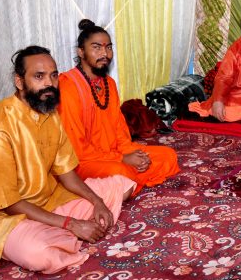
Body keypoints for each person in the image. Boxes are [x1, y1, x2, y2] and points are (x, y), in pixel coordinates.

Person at [0, 46, 135, 274]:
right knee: (41, 254)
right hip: (1, 217)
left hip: (48, 201)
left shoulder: (49, 114)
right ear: (19, 82)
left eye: (53, 75)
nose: (49, 83)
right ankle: (59, 232)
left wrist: (98, 202)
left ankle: (59, 230)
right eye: (39, 76)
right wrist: (71, 223)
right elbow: (10, 204)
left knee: (122, 185)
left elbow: (67, 175)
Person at [58, 20, 179, 196]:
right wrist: (123, 159)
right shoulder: (68, 86)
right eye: (96, 47)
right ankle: (119, 183)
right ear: (81, 52)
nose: (105, 53)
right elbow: (77, 148)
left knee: (168, 156)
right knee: (124, 172)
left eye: (108, 47)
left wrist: (132, 154)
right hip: (83, 162)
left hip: (114, 154)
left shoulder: (109, 83)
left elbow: (119, 130)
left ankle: (121, 186)